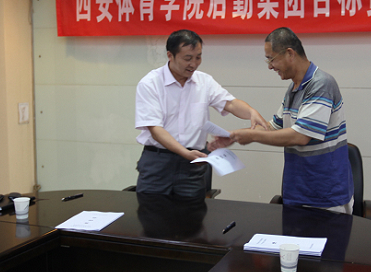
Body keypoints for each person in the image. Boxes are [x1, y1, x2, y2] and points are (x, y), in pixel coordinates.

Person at [230, 27, 354, 214]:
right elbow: (274, 127)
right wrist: (234, 135)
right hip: (298, 191)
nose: (270, 66)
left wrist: (252, 136)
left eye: (271, 59)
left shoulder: (321, 83)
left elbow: (300, 136)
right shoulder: (294, 88)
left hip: (325, 194)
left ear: (290, 53)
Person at [135, 29, 267, 197]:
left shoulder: (204, 81)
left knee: (193, 211)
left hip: (193, 165)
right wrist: (185, 153)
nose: (194, 64)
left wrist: (251, 112)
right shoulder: (150, 83)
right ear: (170, 55)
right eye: (187, 58)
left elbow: (231, 104)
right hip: (158, 162)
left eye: (198, 57)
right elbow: (155, 129)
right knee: (151, 210)